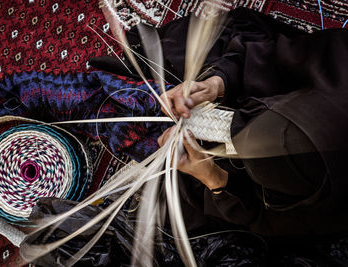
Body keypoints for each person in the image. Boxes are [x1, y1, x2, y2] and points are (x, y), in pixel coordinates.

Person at [90, 7, 348, 237]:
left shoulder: (324, 208)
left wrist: (213, 178)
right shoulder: (338, 64)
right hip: (265, 89)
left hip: (238, 186)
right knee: (194, 53)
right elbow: (268, 57)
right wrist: (216, 84)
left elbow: (267, 221)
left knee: (174, 206)